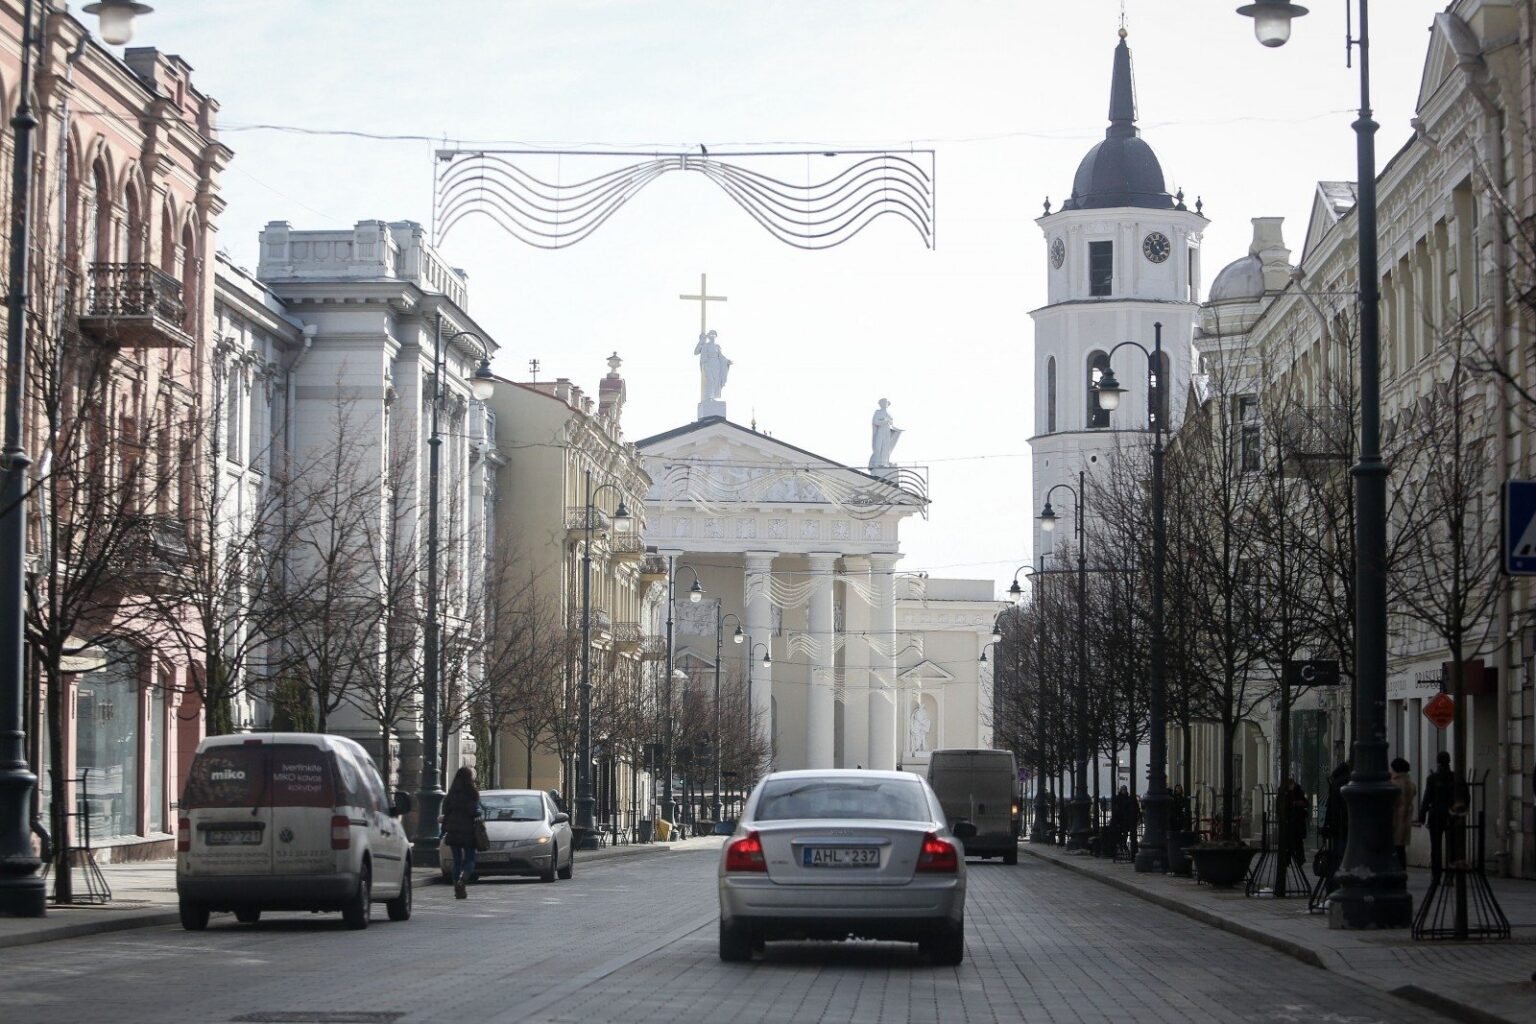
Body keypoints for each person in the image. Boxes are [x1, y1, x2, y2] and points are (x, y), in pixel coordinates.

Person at [1418, 750, 1466, 885]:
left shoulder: (1432, 778)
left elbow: (1427, 798)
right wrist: (1461, 812)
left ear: (1438, 762)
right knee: (1452, 847)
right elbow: (1465, 796)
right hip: (1452, 815)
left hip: (1436, 815)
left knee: (1436, 848)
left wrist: (1422, 816)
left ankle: (1436, 875)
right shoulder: (1456, 778)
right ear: (1449, 761)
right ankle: (1450, 875)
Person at [440, 766, 483, 900]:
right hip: (468, 832)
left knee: (457, 861)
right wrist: (479, 812)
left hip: (453, 831)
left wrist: (443, 830)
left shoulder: (451, 795)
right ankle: (462, 880)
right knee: (470, 859)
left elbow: (446, 813)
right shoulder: (472, 793)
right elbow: (474, 811)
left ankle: (456, 885)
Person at [1390, 757, 1417, 871]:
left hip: (1395, 819)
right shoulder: (1411, 784)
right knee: (1401, 848)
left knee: (1393, 849)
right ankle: (1402, 870)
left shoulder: (1393, 784)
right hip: (1406, 819)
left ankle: (1396, 871)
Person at [1279, 777, 1309, 868]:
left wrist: (1298, 803)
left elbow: (1306, 803)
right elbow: (1282, 805)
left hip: (1297, 821)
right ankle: (1288, 860)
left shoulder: (1299, 791)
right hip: (1289, 821)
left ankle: (1299, 860)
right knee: (1289, 842)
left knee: (1297, 842)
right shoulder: (1284, 792)